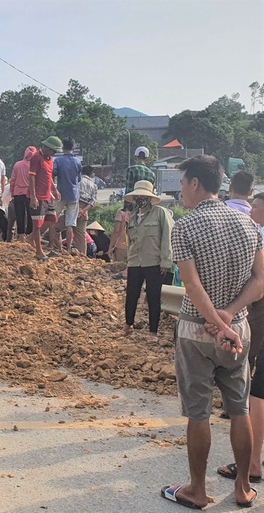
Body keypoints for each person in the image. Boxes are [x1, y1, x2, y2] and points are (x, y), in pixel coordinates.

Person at [161, 155, 263, 510]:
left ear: (194, 184)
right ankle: (242, 488)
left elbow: (191, 285)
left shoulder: (185, 227)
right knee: (239, 409)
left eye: (183, 182)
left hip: (196, 332)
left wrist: (216, 324)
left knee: (199, 413)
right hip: (239, 330)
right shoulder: (248, 223)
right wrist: (230, 318)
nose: (181, 190)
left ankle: (198, 490)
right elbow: (260, 280)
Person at [216, 191, 264, 491]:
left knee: (257, 390)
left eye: (255, 207)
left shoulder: (258, 237)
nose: (250, 211)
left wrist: (230, 311)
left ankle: (253, 464)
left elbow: (259, 285)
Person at [122, 180, 173, 337]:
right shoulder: (132, 217)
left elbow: (167, 238)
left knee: (153, 297)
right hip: (135, 261)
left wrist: (166, 261)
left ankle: (153, 331)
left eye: (143, 196)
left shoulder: (160, 213)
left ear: (150, 198)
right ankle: (127, 326)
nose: (140, 199)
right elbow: (130, 241)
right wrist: (127, 262)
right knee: (131, 294)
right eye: (137, 196)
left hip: (154, 262)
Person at [28, 137, 62, 260]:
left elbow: (49, 177)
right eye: (53, 150)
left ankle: (31, 238)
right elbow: (31, 178)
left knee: (52, 219)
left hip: (47, 196)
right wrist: (33, 196)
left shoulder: (50, 159)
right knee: (37, 224)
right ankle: (39, 251)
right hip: (38, 196)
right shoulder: (36, 158)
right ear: (46, 148)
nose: (54, 153)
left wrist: (54, 190)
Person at [51, 138, 82, 255]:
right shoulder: (77, 162)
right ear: (73, 148)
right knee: (70, 223)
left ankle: (54, 246)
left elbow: (52, 175)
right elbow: (79, 179)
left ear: (63, 148)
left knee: (53, 219)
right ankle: (69, 248)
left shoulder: (58, 161)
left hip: (60, 194)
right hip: (73, 195)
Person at [9, 146, 36, 242]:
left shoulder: (18, 165)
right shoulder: (35, 165)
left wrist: (12, 192)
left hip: (18, 193)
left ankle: (21, 236)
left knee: (19, 214)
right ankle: (29, 235)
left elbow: (12, 180)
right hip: (31, 193)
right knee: (31, 214)